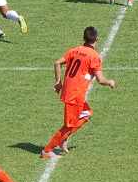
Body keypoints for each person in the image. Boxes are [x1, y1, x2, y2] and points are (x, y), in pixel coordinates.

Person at [41, 26, 115, 158]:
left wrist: (58, 82)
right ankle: (47, 150)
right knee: (69, 126)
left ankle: (63, 139)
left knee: (87, 114)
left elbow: (57, 63)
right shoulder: (94, 56)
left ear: (83, 38)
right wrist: (109, 82)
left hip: (70, 91)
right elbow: (100, 79)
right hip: (75, 95)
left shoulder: (75, 50)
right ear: (97, 38)